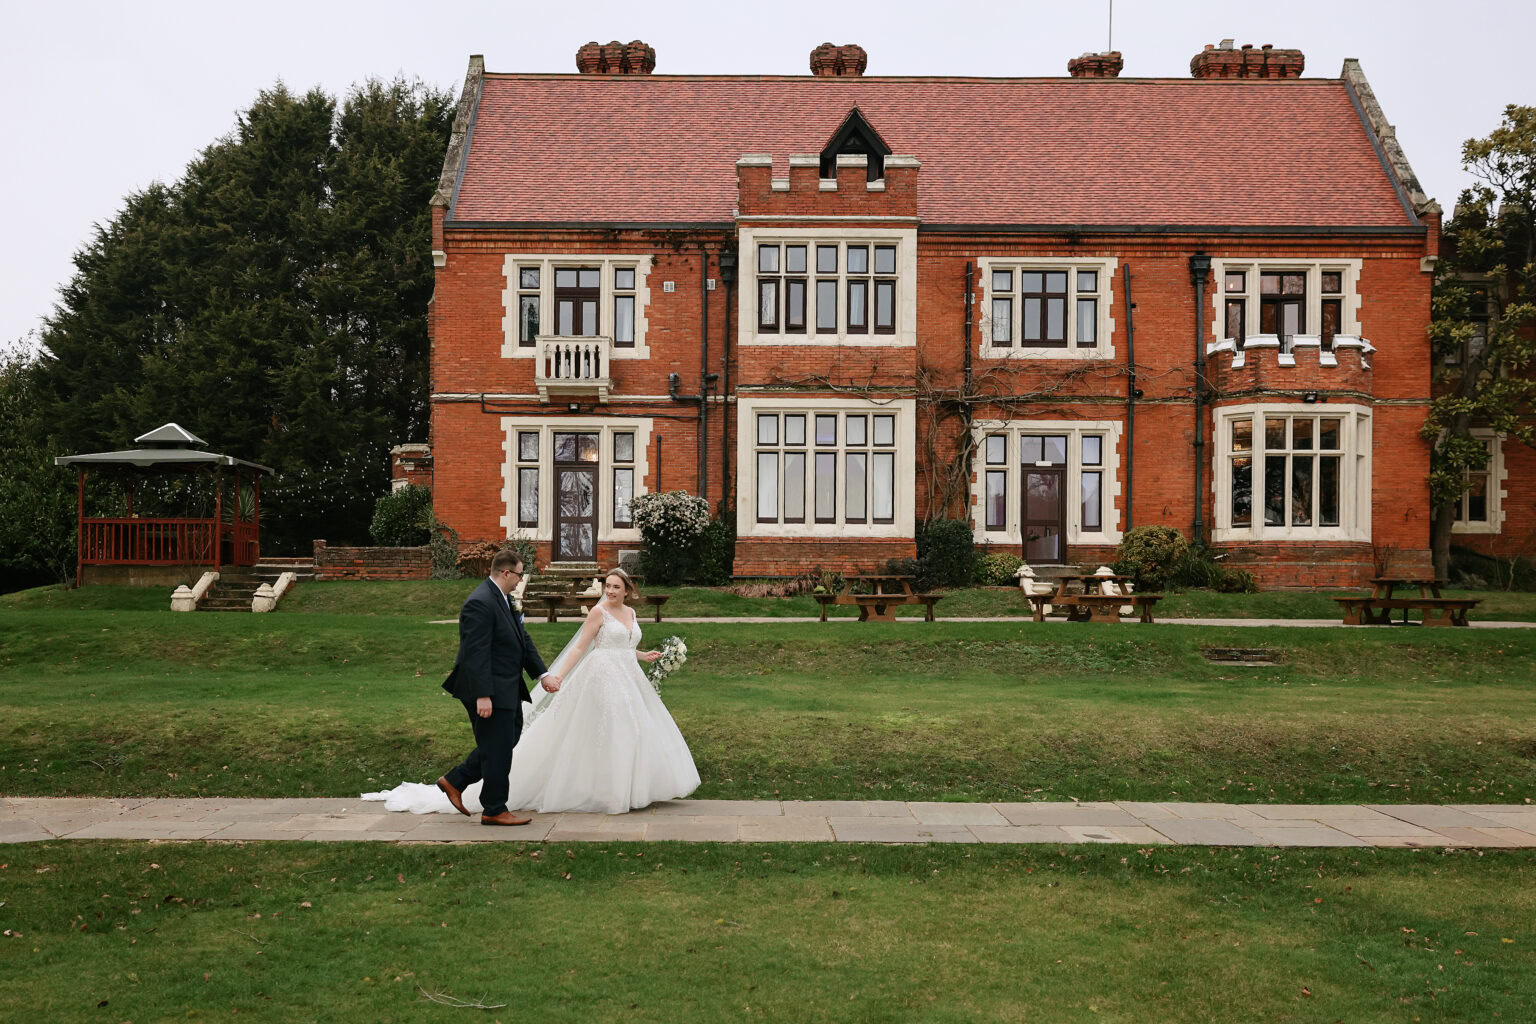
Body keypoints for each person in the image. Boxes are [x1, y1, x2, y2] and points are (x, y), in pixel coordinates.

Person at [367, 567, 698, 816]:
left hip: (628, 677)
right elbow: (582, 647)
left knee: (630, 731)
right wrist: (556, 678)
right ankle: (606, 794)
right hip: (602, 679)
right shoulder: (597, 612)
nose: (610, 591)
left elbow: (621, 644)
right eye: (607, 586)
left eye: (616, 587)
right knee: (607, 730)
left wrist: (642, 654)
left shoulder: (631, 613)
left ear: (628, 590)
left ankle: (627, 790)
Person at [371, 549, 560, 826]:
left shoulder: (504, 599)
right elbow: (475, 652)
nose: (520, 580)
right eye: (519, 575)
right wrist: (483, 695)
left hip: (506, 687)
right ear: (506, 573)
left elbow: (522, 639)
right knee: (498, 748)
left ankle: (455, 780)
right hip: (488, 689)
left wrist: (542, 673)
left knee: (506, 740)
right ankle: (494, 808)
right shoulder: (480, 602)